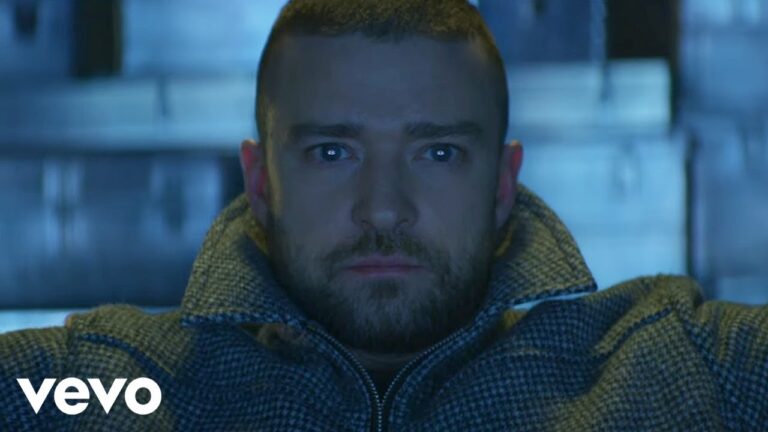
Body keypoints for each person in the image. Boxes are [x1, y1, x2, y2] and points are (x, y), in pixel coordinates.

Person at [2, 0, 767, 430]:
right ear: (260, 181)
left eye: (438, 153)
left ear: (503, 184)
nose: (383, 209)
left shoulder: (679, 368)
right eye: (332, 152)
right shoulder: (106, 385)